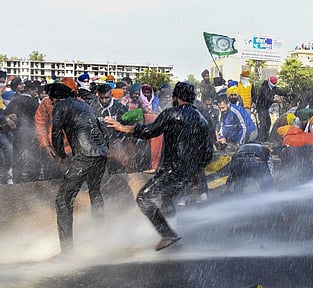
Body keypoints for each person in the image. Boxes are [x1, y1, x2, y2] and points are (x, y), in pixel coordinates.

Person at [105, 81, 213, 251]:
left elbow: (150, 131)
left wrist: (122, 127)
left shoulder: (171, 113)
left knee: (143, 198)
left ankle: (168, 234)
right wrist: (197, 170)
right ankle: (172, 231)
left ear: (176, 97)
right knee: (167, 198)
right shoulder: (201, 119)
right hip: (189, 171)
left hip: (172, 168)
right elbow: (207, 152)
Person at [49, 82, 109, 254]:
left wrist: (61, 155)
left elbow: (56, 133)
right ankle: (101, 237)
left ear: (56, 98)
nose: (52, 105)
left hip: (85, 155)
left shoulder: (60, 105)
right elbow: (100, 127)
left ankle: (67, 252)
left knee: (63, 200)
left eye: (52, 101)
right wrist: (105, 149)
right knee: (95, 192)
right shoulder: (83, 104)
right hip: (101, 154)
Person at [5, 79, 41, 182]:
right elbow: (39, 117)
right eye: (35, 91)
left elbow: (7, 113)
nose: (36, 94)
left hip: (17, 131)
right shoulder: (34, 102)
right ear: (30, 90)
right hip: (31, 132)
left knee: (17, 153)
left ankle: (17, 175)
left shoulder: (14, 100)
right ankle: (33, 176)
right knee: (33, 154)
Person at [256, 76, 287, 142]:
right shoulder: (264, 88)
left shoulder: (274, 88)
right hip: (261, 107)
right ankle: (260, 138)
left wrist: (288, 93)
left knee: (268, 123)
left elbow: (280, 92)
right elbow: (267, 97)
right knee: (263, 123)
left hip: (266, 108)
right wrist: (275, 100)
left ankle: (265, 137)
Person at [0, 111, 16, 184]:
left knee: (9, 156)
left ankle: (8, 176)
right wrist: (6, 119)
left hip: (5, 134)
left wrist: (9, 118)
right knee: (2, 158)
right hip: (3, 134)